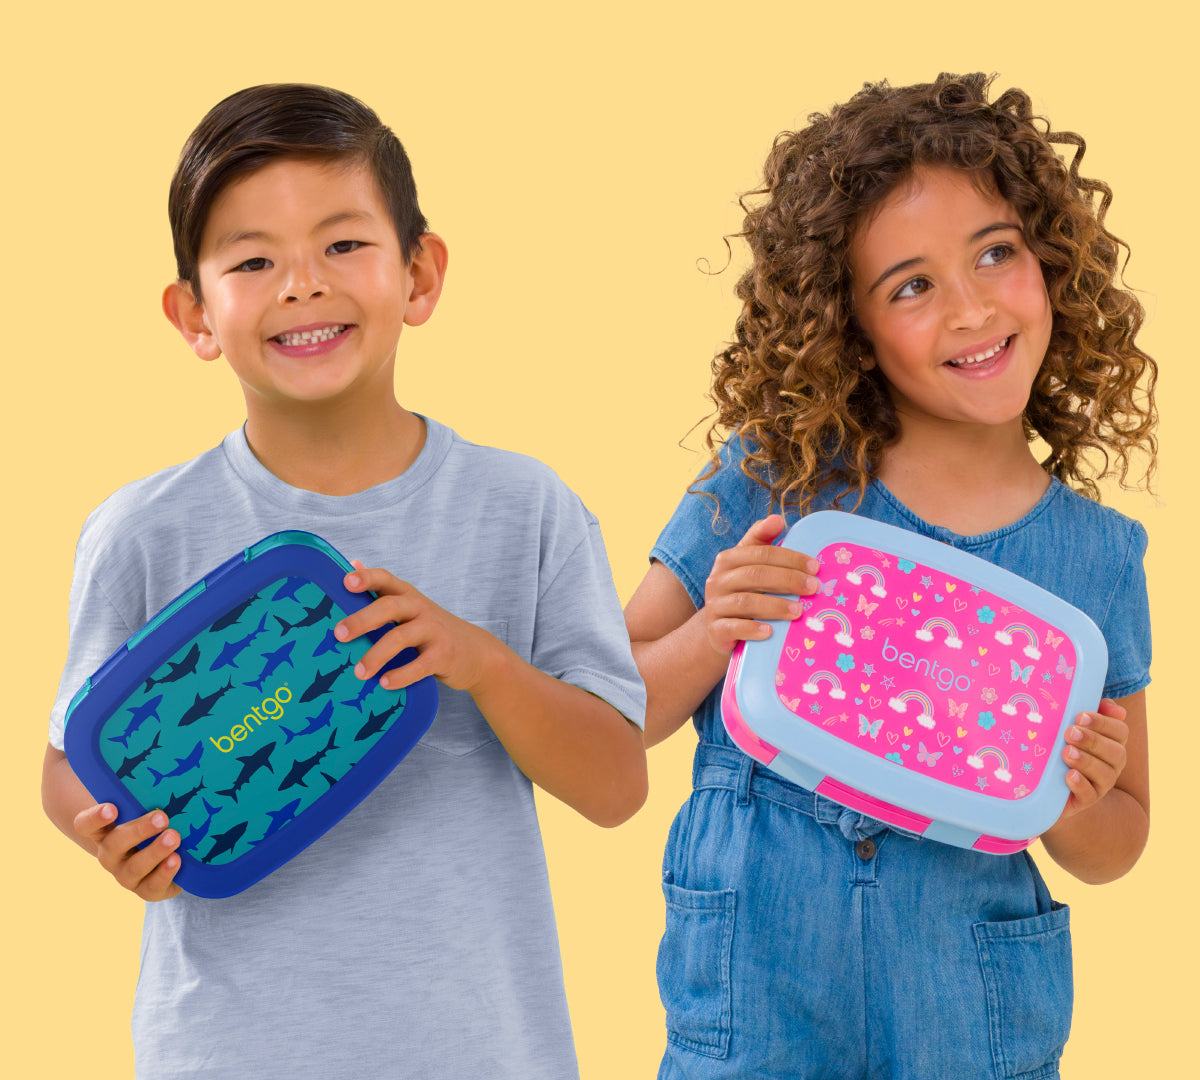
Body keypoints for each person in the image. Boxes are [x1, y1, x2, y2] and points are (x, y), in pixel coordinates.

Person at [42, 83, 648, 1080]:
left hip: (483, 1051)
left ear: (421, 272)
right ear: (193, 315)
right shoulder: (143, 531)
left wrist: (482, 663)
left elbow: (618, 786)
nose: (302, 284)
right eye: (252, 261)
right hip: (225, 1051)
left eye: (343, 244)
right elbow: (73, 754)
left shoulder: (524, 509)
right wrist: (102, 833)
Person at [624, 73, 1155, 1080]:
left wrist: (1079, 798)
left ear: (1054, 262)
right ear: (848, 327)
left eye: (997, 253)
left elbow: (1122, 837)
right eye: (911, 285)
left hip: (971, 1012)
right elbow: (610, 704)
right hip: (757, 991)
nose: (971, 307)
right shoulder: (771, 483)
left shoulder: (1095, 556)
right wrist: (710, 634)